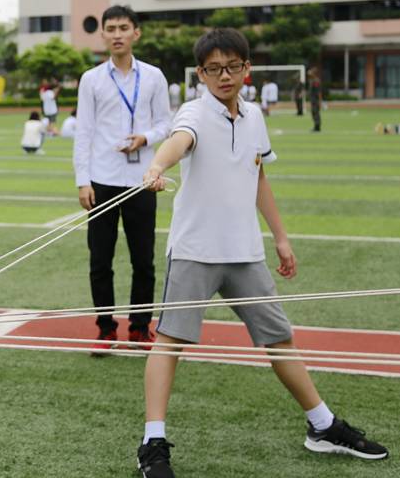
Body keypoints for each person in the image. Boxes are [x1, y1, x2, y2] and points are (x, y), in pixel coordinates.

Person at [137, 28, 388, 478]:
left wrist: (281, 237)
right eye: (214, 69)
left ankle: (322, 425)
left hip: (244, 252)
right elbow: (180, 141)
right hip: (195, 249)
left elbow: (259, 178)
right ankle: (152, 441)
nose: (224, 76)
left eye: (233, 66)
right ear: (201, 74)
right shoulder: (193, 111)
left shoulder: (253, 117)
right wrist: (158, 164)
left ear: (247, 69)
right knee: (170, 342)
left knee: (279, 339)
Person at [74, 5, 172, 353]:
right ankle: (105, 328)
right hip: (102, 180)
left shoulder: (154, 77)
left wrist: (145, 137)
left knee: (142, 259)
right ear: (102, 34)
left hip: (142, 179)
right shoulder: (92, 79)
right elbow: (83, 132)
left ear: (136, 33)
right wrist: (82, 181)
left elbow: (166, 123)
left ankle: (140, 326)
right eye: (111, 28)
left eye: (123, 28)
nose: (117, 34)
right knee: (100, 261)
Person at [308, 67, 322, 132]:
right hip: (313, 100)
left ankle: (317, 127)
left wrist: (320, 101)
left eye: (312, 72)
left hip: (316, 100)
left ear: (314, 74)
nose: (310, 73)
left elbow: (319, 92)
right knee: (313, 113)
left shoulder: (316, 81)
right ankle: (316, 126)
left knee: (316, 113)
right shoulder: (312, 80)